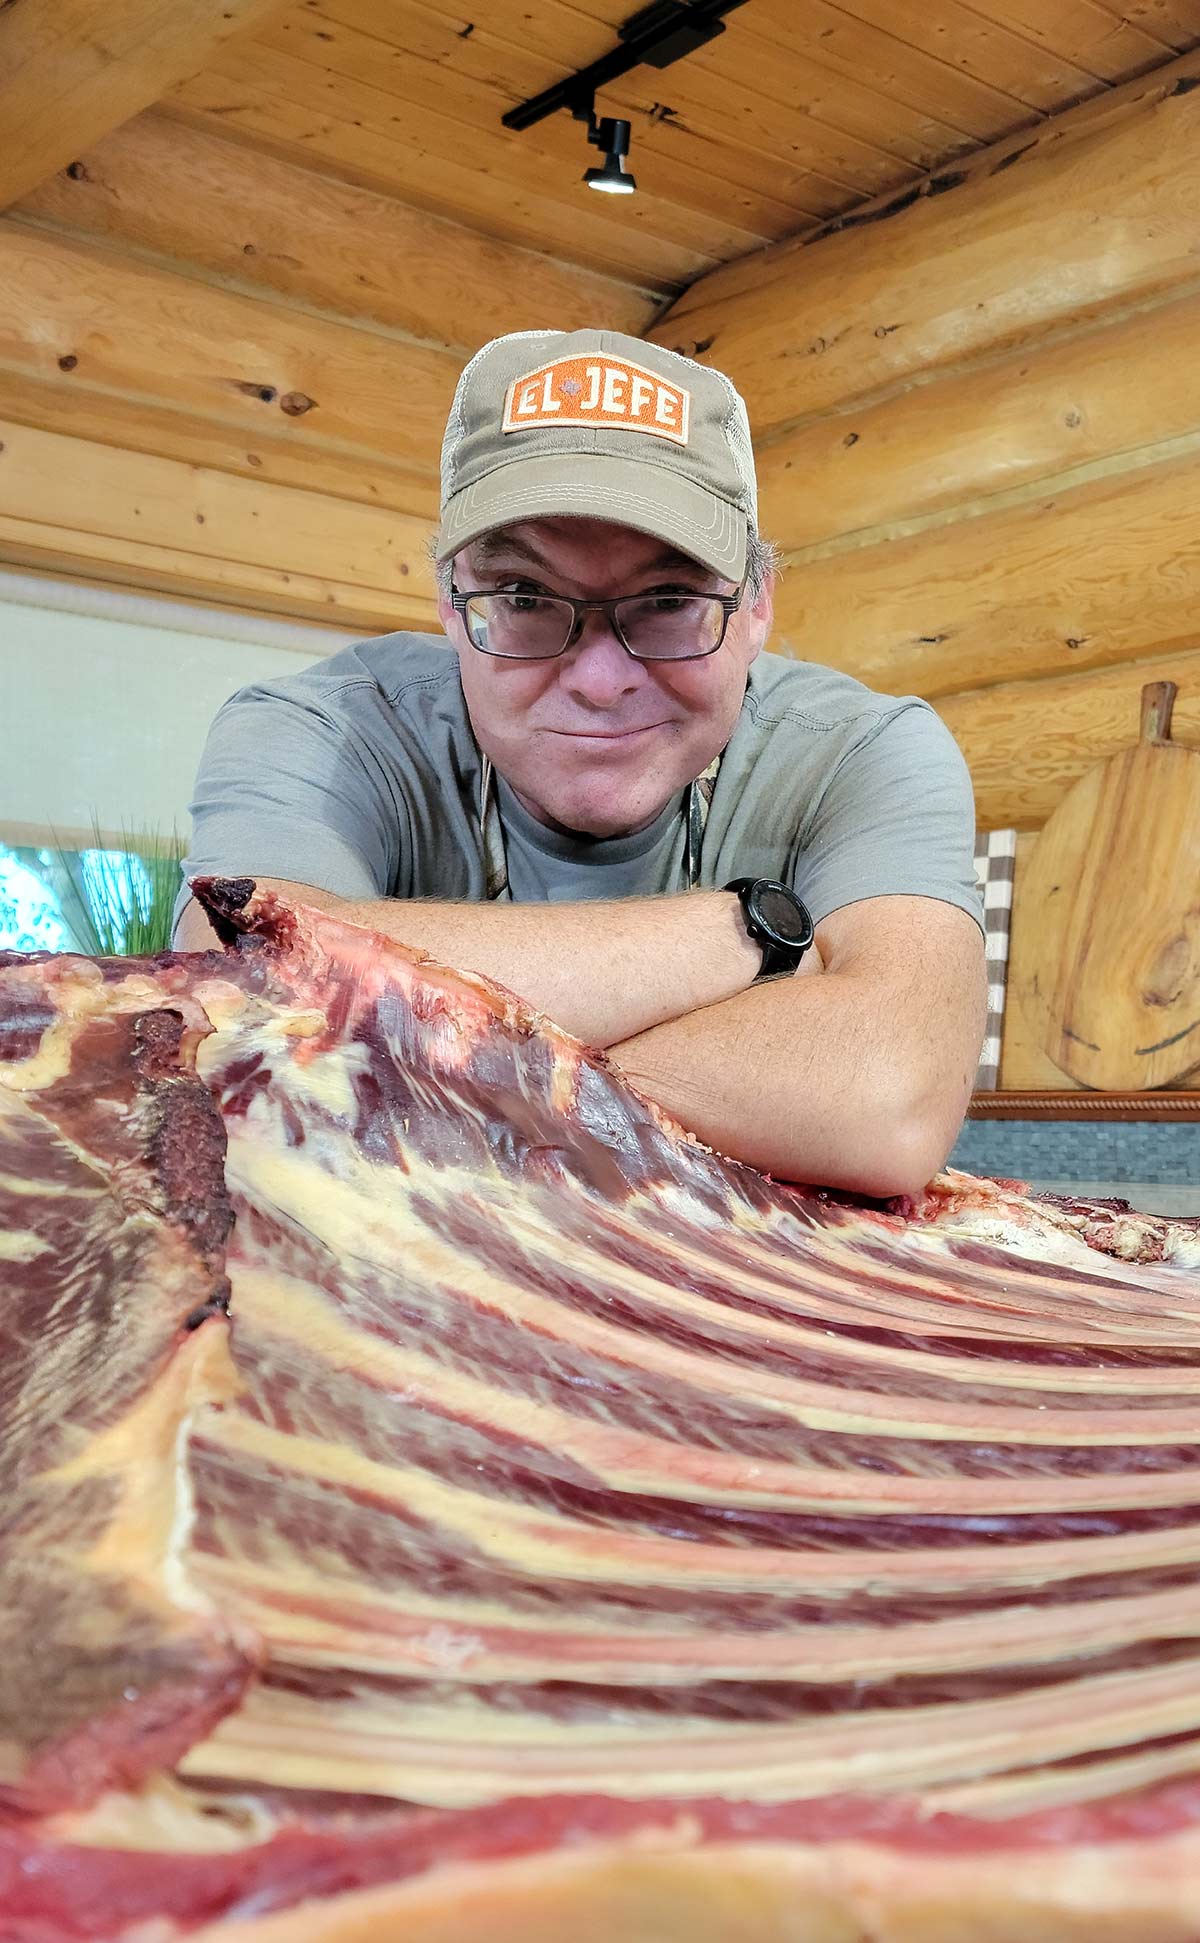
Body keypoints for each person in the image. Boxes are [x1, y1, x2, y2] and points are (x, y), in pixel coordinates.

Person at [176, 328, 985, 1196]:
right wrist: (746, 937)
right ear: (449, 600)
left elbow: (888, 1100)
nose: (601, 681)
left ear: (756, 605)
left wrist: (392, 1040)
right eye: (524, 597)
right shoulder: (321, 729)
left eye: (670, 600)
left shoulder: (860, 751)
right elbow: (228, 1013)